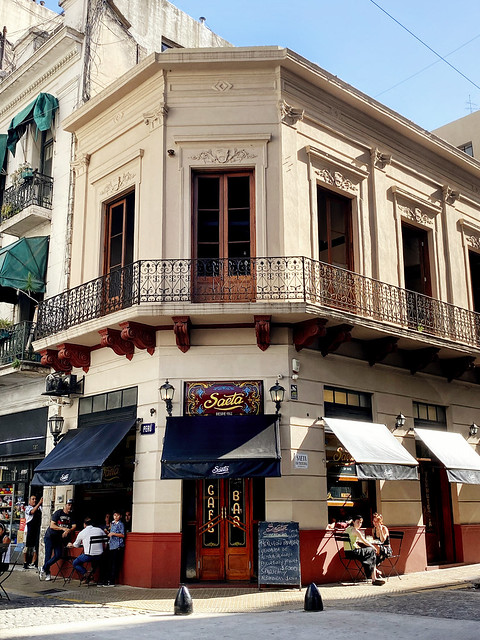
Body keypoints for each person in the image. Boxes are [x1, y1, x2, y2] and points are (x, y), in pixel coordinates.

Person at [40, 498, 77, 582]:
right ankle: (47, 573)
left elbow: (74, 526)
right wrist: (63, 528)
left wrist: (69, 530)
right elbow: (52, 525)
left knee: (58, 554)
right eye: (68, 505)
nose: (70, 507)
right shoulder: (58, 513)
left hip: (58, 538)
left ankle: (44, 567)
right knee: (48, 554)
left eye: (71, 505)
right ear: (65, 505)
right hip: (50, 536)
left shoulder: (71, 515)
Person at [344, 515, 384, 585]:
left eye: (361, 522)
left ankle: (372, 571)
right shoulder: (355, 531)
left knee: (368, 554)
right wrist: (373, 547)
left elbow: (357, 541)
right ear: (353, 522)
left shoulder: (348, 529)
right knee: (371, 551)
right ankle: (373, 577)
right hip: (353, 552)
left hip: (347, 552)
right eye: (358, 522)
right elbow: (365, 541)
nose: (359, 524)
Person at [67, 517, 106, 584]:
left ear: (84, 524)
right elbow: (106, 540)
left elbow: (76, 545)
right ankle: (89, 576)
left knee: (75, 563)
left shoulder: (82, 532)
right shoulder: (99, 530)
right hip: (100, 555)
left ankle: (86, 574)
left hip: (89, 555)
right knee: (94, 562)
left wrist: (71, 544)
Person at [103, 510, 125, 586]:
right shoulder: (112, 523)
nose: (116, 517)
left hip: (117, 545)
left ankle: (112, 581)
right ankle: (108, 579)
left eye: (118, 515)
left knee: (114, 564)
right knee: (109, 563)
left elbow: (122, 535)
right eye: (115, 515)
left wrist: (114, 534)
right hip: (111, 545)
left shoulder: (121, 524)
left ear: (120, 516)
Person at [23, 495, 43, 569]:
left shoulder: (40, 508)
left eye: (35, 499)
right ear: (29, 501)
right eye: (33, 499)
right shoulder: (28, 508)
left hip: (36, 529)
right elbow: (32, 512)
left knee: (36, 547)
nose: (34, 500)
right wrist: (39, 503)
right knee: (26, 547)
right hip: (28, 529)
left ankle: (33, 562)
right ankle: (25, 562)